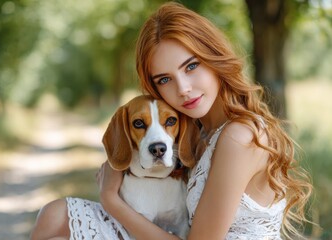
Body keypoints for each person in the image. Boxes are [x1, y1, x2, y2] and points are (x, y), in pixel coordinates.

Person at [30, 2, 313, 240]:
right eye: (165, 79)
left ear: (214, 58)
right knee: (53, 215)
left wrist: (110, 200)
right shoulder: (196, 130)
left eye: (191, 66)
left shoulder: (239, 137)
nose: (183, 88)